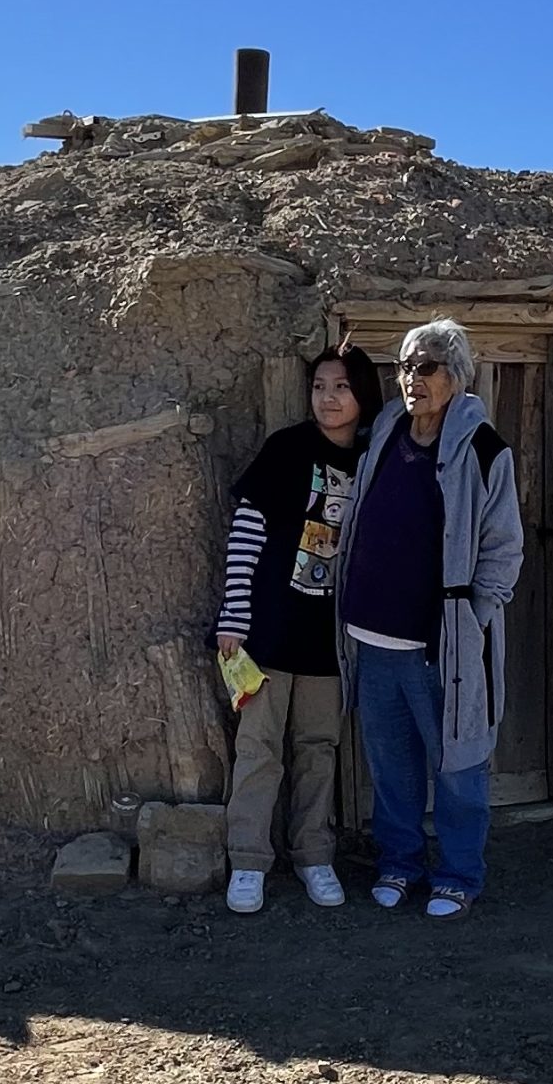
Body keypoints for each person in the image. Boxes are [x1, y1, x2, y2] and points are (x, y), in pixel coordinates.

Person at [336, 319, 523, 918]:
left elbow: (503, 547)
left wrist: (474, 618)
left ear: (457, 376)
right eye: (405, 367)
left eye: (426, 367)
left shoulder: (486, 450)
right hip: (372, 635)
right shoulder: (386, 430)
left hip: (439, 644)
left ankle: (459, 875)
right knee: (391, 766)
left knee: (458, 765)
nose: (411, 378)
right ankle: (399, 863)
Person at [213, 344, 383, 914]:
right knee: (258, 747)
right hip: (270, 627)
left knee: (318, 748)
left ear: (363, 395)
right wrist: (234, 616)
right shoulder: (286, 449)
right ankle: (248, 860)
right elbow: (246, 533)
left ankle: (314, 854)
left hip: (330, 638)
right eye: (319, 386)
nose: (328, 398)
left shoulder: (374, 461)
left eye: (341, 387)